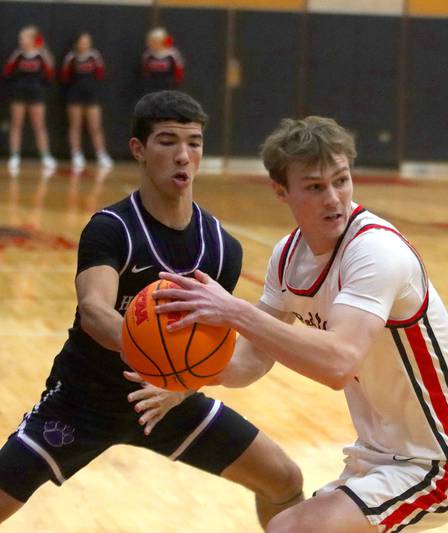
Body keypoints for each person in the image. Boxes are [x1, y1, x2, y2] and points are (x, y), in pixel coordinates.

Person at [153, 116, 448, 533]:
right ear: (281, 191)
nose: (334, 198)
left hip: (440, 458)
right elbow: (252, 361)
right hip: (377, 455)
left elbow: (337, 364)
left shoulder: (375, 250)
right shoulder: (288, 255)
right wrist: (180, 373)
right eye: (315, 187)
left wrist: (233, 311)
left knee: (290, 528)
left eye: (342, 180)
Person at [0, 91, 303, 528]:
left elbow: (212, 345)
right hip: (84, 401)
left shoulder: (221, 248)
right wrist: (156, 360)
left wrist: (177, 385)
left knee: (284, 480)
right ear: (139, 150)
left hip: (166, 403)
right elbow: (94, 311)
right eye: (167, 141)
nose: (183, 155)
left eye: (194, 142)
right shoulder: (113, 229)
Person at [2, 26, 56, 172]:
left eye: (23, 38)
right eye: (20, 38)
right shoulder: (17, 54)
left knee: (39, 125)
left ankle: (45, 156)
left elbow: (50, 75)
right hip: (19, 93)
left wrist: (38, 85)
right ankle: (14, 156)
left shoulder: (42, 55)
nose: (20, 40)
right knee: (16, 124)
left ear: (32, 40)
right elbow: (7, 72)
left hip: (36, 93)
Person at [60, 32, 113, 170]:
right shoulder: (71, 57)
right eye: (82, 41)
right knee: (75, 125)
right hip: (74, 95)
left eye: (87, 41)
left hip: (91, 95)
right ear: (77, 43)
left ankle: (101, 154)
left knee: (95, 126)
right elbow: (64, 76)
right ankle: (76, 154)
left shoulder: (94, 56)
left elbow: (101, 74)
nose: (85, 44)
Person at [140, 27, 184, 95]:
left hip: (168, 85)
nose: (153, 43)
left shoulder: (172, 54)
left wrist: (176, 82)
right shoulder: (148, 55)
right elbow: (145, 71)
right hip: (152, 86)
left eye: (156, 41)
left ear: (163, 41)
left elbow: (178, 70)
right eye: (151, 41)